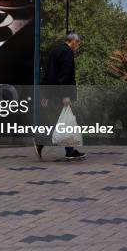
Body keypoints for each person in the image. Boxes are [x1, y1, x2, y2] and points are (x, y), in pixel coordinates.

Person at [34, 32, 86, 160]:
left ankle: (69, 151)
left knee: (65, 121)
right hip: (60, 95)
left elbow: (48, 74)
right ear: (73, 41)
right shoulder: (67, 52)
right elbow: (65, 76)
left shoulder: (55, 51)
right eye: (78, 43)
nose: (77, 46)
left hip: (51, 92)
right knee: (58, 122)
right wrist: (66, 95)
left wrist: (45, 95)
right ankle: (40, 143)